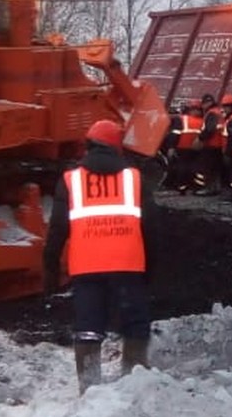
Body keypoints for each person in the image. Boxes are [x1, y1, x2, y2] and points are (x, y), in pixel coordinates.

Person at [42, 119, 157, 393]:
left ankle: (89, 391)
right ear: (117, 148)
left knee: (88, 329)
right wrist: (150, 272)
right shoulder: (134, 178)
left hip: (86, 268)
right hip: (129, 266)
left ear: (88, 146)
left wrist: (50, 274)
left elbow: (57, 230)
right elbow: (153, 229)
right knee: (135, 327)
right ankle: (134, 384)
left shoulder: (71, 180)